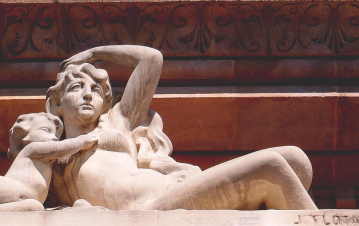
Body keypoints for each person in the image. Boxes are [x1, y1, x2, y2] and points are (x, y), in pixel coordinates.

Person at [46, 45, 318, 211]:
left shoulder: (118, 123)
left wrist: (95, 53)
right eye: (76, 88)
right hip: (148, 210)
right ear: (55, 104)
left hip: (174, 190)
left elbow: (151, 60)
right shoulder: (52, 157)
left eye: (95, 90)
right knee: (271, 168)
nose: (88, 95)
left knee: (296, 161)